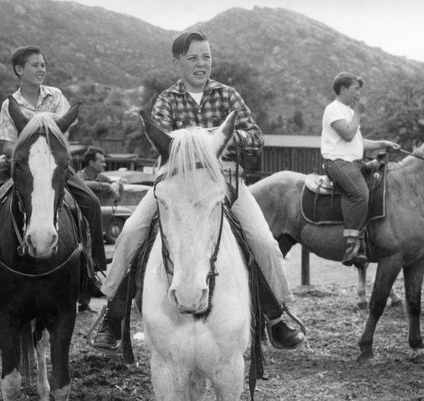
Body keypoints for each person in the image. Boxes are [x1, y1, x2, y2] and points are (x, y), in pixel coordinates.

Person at [93, 31, 306, 351]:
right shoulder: (167, 99)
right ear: (177, 62)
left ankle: (276, 315)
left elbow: (256, 137)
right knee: (131, 232)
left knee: (264, 241)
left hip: (225, 183)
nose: (201, 63)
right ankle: (114, 312)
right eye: (193, 58)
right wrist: (207, 136)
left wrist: (230, 139)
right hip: (176, 184)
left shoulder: (228, 96)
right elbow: (163, 136)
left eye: (206, 56)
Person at [0, 45, 107, 293]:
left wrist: (45, 157)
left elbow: (62, 133)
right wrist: (28, 157)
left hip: (53, 166)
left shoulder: (56, 97)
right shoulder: (11, 104)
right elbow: (6, 145)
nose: (41, 69)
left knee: (91, 202)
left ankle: (94, 269)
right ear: (19, 69)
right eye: (35, 65)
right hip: (18, 165)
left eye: (43, 65)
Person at [321, 72, 400, 266]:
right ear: (343, 89)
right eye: (356, 89)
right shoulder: (333, 110)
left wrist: (383, 143)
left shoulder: (347, 111)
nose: (359, 93)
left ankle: (368, 237)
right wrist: (358, 112)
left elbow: (357, 141)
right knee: (359, 194)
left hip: (353, 162)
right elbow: (348, 135)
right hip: (338, 163)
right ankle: (352, 246)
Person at [76, 146, 123, 311]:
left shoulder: (99, 176)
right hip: (78, 227)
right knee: (81, 262)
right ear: (91, 163)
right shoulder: (78, 177)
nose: (104, 164)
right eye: (101, 161)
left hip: (93, 227)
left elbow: (116, 180)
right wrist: (107, 186)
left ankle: (84, 301)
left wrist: (115, 185)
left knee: (89, 260)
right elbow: (84, 184)